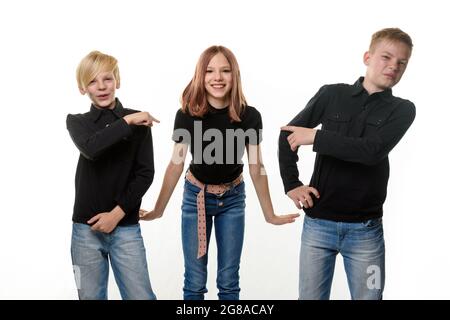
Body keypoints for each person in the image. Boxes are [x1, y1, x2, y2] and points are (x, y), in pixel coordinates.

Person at [140, 45, 299, 300]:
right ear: (200, 76)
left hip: (233, 199)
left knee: (228, 280)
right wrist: (158, 210)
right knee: (194, 280)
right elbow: (176, 164)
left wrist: (270, 214)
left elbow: (256, 166)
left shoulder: (249, 116)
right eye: (210, 71)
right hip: (196, 197)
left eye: (225, 71)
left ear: (234, 75)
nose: (218, 77)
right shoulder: (187, 115)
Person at [278, 28, 415, 300]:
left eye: (402, 62)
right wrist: (291, 184)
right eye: (386, 57)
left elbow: (371, 151)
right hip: (318, 226)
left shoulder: (403, 109)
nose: (393, 66)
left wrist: (316, 137)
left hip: (367, 233)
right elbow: (287, 135)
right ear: (367, 56)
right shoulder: (331, 95)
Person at [67, 50, 159, 300]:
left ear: (117, 80)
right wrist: (126, 121)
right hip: (85, 231)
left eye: (107, 79)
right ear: (82, 88)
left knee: (141, 296)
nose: (102, 87)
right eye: (93, 81)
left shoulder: (139, 122)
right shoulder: (77, 121)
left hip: (126, 228)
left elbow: (145, 174)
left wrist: (116, 214)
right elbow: (91, 148)